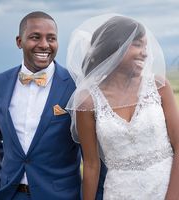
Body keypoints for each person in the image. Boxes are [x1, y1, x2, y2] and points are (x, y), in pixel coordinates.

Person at [66, 14, 179, 199]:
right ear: (114, 47)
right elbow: (92, 165)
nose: (145, 52)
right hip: (119, 193)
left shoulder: (159, 86)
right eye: (137, 44)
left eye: (145, 45)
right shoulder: (87, 103)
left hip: (167, 188)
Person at [0, 11, 82, 200]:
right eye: (35, 37)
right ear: (19, 42)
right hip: (8, 194)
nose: (44, 44)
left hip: (61, 196)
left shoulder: (75, 86)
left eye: (51, 38)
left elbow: (91, 154)